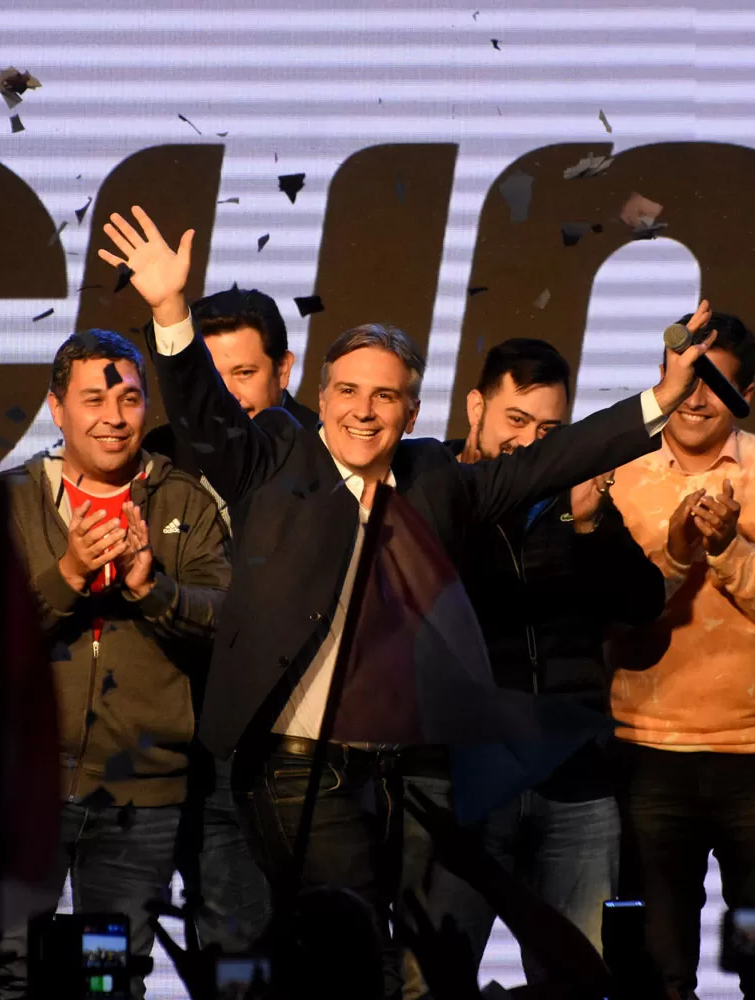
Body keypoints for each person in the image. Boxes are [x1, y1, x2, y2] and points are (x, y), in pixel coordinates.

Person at [96, 204, 716, 998]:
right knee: (349, 958)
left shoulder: (437, 481)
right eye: (348, 391)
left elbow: (549, 459)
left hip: (423, 765)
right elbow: (207, 416)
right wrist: (169, 312)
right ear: (320, 399)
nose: (364, 409)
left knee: (433, 965)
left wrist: (661, 397)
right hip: (299, 764)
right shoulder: (273, 459)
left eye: (385, 397)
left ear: (412, 413)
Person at [0, 329, 231, 999]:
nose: (113, 417)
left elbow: (227, 624)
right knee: (8, 975)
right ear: (57, 409)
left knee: (106, 981)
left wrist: (151, 589)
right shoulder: (11, 501)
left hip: (136, 800)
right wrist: (70, 572)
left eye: (131, 399)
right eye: (93, 399)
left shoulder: (184, 502)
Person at [405, 338, 665, 993]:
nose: (529, 443)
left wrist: (591, 526)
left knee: (584, 980)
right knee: (435, 977)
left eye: (550, 430)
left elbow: (642, 604)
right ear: (475, 407)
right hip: (469, 780)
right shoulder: (437, 492)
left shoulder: (573, 504)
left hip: (573, 779)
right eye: (515, 422)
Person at [606, 312, 755, 1000]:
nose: (696, 399)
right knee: (658, 972)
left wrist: (729, 549)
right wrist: (675, 553)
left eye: (717, 385)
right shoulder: (619, 471)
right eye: (686, 379)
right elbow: (608, 614)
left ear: (747, 393)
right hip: (648, 751)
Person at [143, 286, 306, 952]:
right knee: (228, 948)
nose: (231, 396)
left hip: (298, 750)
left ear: (285, 370)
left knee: (312, 947)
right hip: (187, 746)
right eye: (215, 378)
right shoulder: (153, 460)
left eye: (245, 374)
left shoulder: (321, 455)